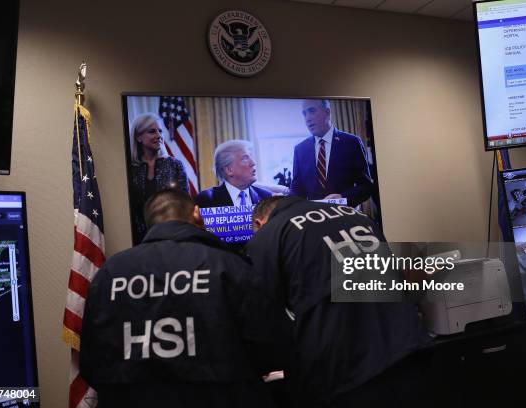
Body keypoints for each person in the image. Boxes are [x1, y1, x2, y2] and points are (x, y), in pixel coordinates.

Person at [80, 189, 279, 408]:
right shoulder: (228, 265)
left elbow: (92, 359)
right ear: (196, 213)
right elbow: (266, 349)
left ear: (150, 223)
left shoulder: (110, 273)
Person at [247, 196, 431, 408]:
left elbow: (263, 312)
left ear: (259, 223)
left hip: (346, 372)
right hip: (406, 350)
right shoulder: (357, 216)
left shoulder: (268, 236)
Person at [289, 99, 375, 208]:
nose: (308, 118)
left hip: (345, 215)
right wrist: (284, 204)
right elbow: (297, 189)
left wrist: (342, 198)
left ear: (327, 112)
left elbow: (366, 186)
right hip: (314, 218)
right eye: (304, 114)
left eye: (312, 111)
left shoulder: (351, 142)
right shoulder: (300, 149)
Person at [129, 113, 188, 243]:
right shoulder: (130, 169)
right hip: (139, 241)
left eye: (160, 131)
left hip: (174, 238)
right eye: (152, 131)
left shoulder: (175, 165)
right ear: (138, 137)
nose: (159, 136)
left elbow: (185, 204)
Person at [195, 140, 272, 208]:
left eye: (251, 157)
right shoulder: (207, 199)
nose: (253, 163)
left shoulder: (266, 197)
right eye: (245, 158)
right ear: (229, 170)